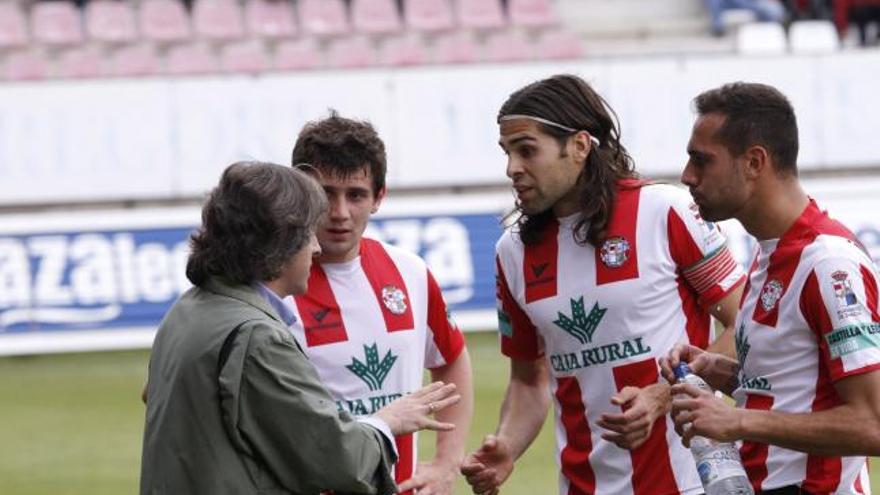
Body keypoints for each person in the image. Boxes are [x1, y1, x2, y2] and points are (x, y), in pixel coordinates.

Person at [460, 74, 745, 495]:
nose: (512, 168)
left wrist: (661, 396)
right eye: (507, 152)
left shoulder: (665, 210)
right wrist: (507, 444)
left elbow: (746, 324)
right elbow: (527, 381)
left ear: (578, 146)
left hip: (690, 483)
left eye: (526, 150)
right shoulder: (512, 251)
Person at [140, 162, 460, 495]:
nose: (316, 247)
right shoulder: (256, 335)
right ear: (280, 242)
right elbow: (337, 461)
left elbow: (154, 396)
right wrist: (387, 422)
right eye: (308, 233)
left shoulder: (187, 309)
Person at [662, 82, 880, 494]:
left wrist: (737, 421)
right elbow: (793, 389)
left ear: (754, 162)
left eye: (702, 161)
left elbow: (873, 424)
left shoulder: (829, 264)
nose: (687, 176)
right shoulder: (769, 256)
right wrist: (719, 371)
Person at [286, 113, 474, 495]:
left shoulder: (410, 273)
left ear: (379, 197)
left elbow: (451, 358)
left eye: (355, 194)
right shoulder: (274, 286)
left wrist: (445, 465)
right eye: (325, 193)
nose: (339, 212)